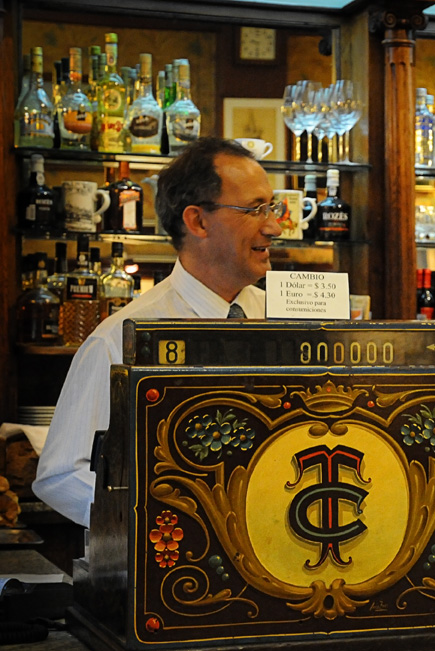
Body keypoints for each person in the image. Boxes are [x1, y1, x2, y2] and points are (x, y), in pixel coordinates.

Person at [33, 137, 284, 527]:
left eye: (272, 207)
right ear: (197, 221)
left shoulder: (285, 321)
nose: (275, 226)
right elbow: (62, 475)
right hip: (171, 572)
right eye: (255, 210)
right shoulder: (120, 338)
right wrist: (164, 524)